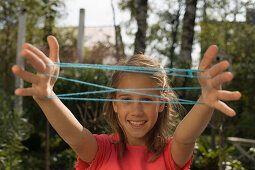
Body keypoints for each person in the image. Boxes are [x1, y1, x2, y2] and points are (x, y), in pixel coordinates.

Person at [12, 36, 241, 170]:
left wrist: (205, 101)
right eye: (126, 99)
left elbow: (185, 136)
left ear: (161, 103)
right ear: (114, 104)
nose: (136, 110)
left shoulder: (171, 153)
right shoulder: (101, 151)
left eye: (147, 99)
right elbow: (75, 135)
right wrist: (47, 97)